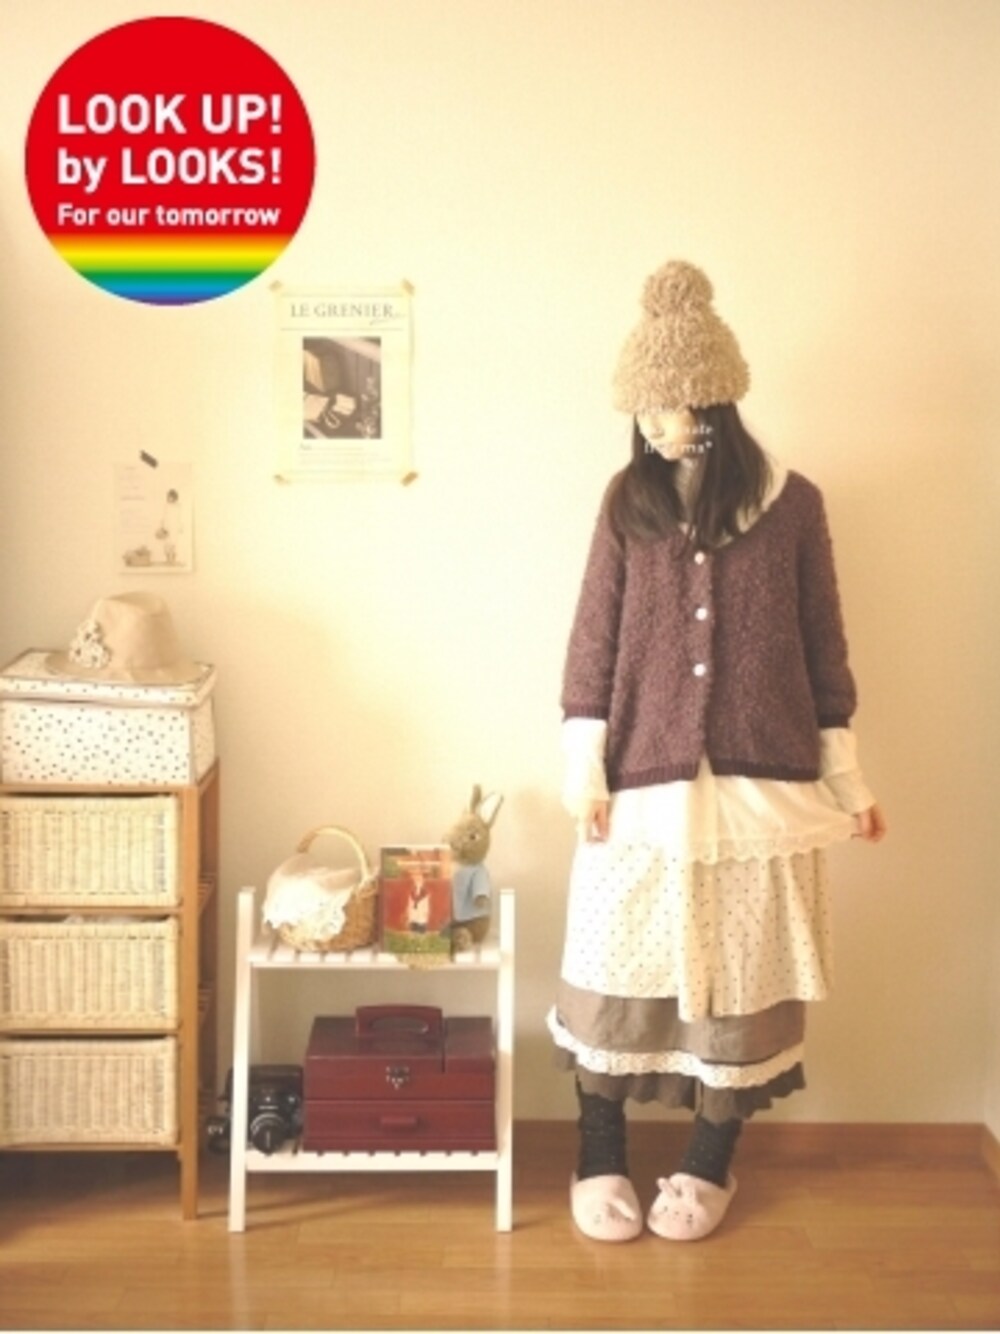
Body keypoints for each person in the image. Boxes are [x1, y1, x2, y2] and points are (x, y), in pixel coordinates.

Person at [548, 260, 887, 1244]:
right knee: (614, 971)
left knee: (741, 978)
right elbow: (593, 640)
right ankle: (599, 1151)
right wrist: (584, 765)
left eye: (669, 407)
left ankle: (707, 1161)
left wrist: (848, 779)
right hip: (640, 785)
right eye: (643, 411)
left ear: (713, 400)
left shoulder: (794, 506)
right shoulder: (628, 502)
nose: (655, 427)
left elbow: (822, 644)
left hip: (760, 789)